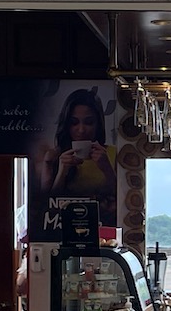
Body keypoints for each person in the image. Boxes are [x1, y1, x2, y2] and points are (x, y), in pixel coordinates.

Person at [37, 87, 116, 221]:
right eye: (74, 123)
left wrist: (107, 168)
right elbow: (46, 205)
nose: (81, 130)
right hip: (60, 226)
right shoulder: (53, 156)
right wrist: (62, 172)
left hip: (103, 226)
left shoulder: (113, 153)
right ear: (66, 125)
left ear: (98, 124)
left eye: (89, 122)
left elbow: (123, 200)